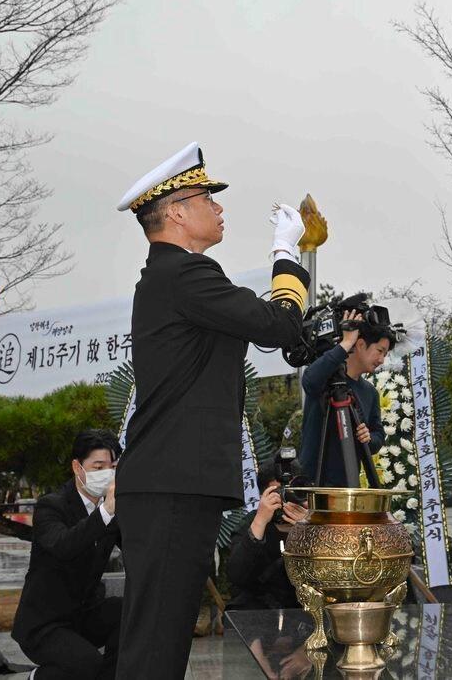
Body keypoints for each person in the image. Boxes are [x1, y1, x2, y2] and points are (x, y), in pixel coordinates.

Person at [112, 142, 318, 678]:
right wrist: (284, 253)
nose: (219, 208)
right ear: (177, 211)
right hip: (172, 484)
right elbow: (277, 326)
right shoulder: (183, 274)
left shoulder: (174, 276)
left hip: (171, 483)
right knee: (156, 641)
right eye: (208, 197)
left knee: (161, 636)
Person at [11, 430, 123, 680]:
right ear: (77, 467)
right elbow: (64, 545)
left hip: (84, 615)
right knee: (87, 666)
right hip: (45, 624)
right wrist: (105, 513)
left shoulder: (113, 509)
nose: (108, 474)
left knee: (129, 614)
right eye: (99, 466)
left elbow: (135, 545)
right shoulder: (51, 506)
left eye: (113, 467)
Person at [296, 307, 390, 487]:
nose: (382, 360)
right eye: (380, 351)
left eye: (385, 354)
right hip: (312, 484)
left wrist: (368, 437)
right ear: (361, 344)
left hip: (347, 487)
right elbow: (309, 380)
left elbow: (378, 435)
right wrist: (346, 343)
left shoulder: (370, 392)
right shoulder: (326, 375)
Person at [226, 461, 310, 611]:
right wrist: (260, 522)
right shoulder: (251, 523)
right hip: (256, 612)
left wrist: (310, 532)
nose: (289, 499)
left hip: (304, 609)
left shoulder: (317, 524)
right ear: (263, 495)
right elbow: (237, 576)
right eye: (281, 493)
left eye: (295, 491)